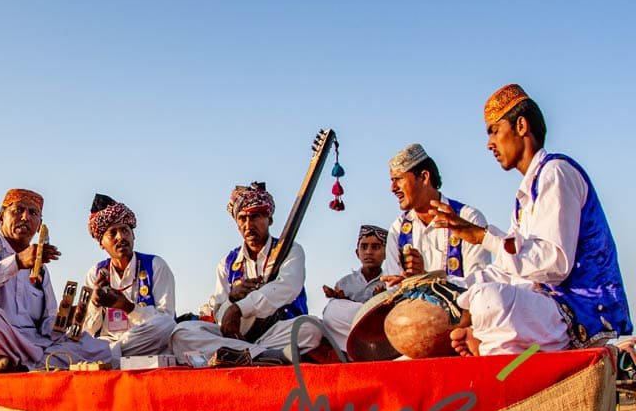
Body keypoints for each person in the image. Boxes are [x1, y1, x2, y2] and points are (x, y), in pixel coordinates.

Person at [431, 84, 631, 355]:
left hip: (578, 312)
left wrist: (482, 238)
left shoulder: (556, 173)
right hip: (547, 311)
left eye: (494, 130)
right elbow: (512, 269)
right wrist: (447, 285)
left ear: (521, 126)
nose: (489, 143)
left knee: (488, 301)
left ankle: (487, 344)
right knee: (474, 296)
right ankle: (491, 347)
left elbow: (555, 263)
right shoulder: (526, 195)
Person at [0, 189, 113, 369]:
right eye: (18, 210)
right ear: (1, 218)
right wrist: (17, 262)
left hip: (30, 343)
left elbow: (47, 324)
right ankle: (31, 364)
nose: (25, 217)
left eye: (33, 213)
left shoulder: (40, 270)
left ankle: (16, 365)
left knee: (99, 349)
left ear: (39, 226)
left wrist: (70, 315)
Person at [169, 183, 322, 365]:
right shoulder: (227, 262)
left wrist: (240, 307)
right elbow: (219, 313)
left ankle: (242, 354)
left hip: (276, 332)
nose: (248, 225)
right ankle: (265, 356)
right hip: (236, 336)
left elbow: (287, 287)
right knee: (181, 333)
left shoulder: (290, 250)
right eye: (242, 218)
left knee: (310, 328)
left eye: (255, 216)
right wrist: (232, 299)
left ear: (269, 219)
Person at [79, 194, 176, 362]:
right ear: (101, 243)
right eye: (112, 233)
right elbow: (87, 329)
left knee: (168, 325)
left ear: (133, 235)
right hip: (108, 341)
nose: (121, 237)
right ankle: (113, 355)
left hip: (145, 341)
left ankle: (110, 356)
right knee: (73, 338)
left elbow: (166, 320)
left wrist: (129, 308)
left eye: (125, 230)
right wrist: (94, 304)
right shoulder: (95, 273)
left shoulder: (155, 265)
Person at [382, 143, 490, 286]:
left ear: (424, 177)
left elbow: (479, 285)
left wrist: (426, 278)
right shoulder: (397, 229)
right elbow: (393, 287)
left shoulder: (468, 219)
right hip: (411, 307)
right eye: (392, 180)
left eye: (399, 179)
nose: (393, 188)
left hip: (460, 307)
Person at [320, 225, 389, 353]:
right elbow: (334, 317)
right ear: (357, 253)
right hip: (348, 335)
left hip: (376, 335)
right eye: (364, 247)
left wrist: (380, 303)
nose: (368, 252)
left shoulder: (390, 282)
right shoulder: (344, 283)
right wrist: (342, 300)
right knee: (333, 307)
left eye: (375, 247)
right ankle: (352, 351)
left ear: (386, 253)